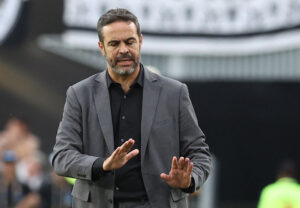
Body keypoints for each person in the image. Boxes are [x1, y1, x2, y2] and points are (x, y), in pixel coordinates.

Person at [52, 8, 211, 208]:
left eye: (129, 41)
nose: (124, 50)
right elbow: (61, 156)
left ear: (140, 41)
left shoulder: (175, 93)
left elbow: (200, 153)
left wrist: (189, 180)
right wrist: (102, 164)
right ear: (101, 47)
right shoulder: (79, 94)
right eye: (114, 44)